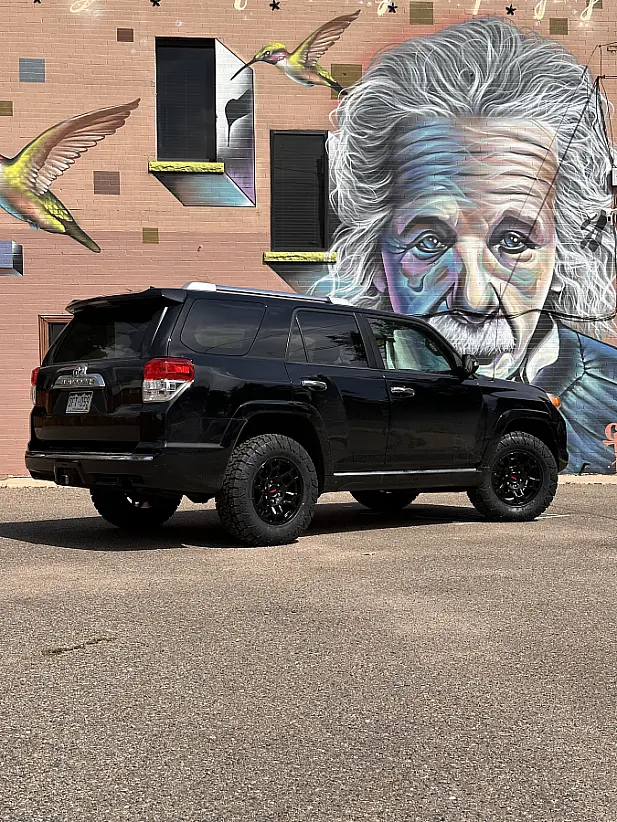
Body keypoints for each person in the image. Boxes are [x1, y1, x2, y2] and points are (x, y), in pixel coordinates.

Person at [319, 16, 617, 473]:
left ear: (564, 256)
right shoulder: (330, 380)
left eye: (514, 241)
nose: (475, 298)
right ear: (376, 257)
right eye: (430, 242)